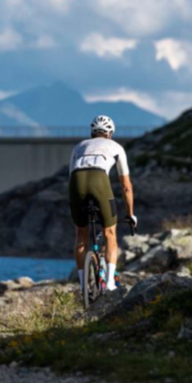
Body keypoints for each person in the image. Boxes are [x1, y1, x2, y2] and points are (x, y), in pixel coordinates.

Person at [69, 115, 136, 292]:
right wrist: (130, 214)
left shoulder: (79, 146)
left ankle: (83, 285)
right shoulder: (116, 147)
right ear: (110, 133)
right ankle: (110, 284)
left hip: (76, 182)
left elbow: (72, 177)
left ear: (92, 132)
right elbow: (126, 187)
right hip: (99, 180)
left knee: (81, 236)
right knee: (109, 233)